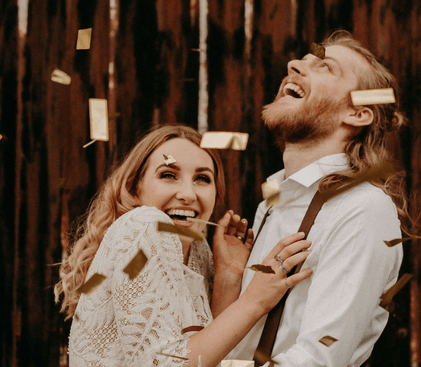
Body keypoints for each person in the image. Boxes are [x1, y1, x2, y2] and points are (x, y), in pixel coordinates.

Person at [54, 125, 313, 367]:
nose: (188, 194)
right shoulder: (146, 225)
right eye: (169, 175)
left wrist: (228, 275)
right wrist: (256, 300)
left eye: (202, 178)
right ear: (135, 189)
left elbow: (205, 354)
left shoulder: (196, 250)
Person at [226, 31, 410, 366]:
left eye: (325, 67)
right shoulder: (271, 203)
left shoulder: (363, 208)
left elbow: (317, 360)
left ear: (357, 114)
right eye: (302, 60)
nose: (293, 64)